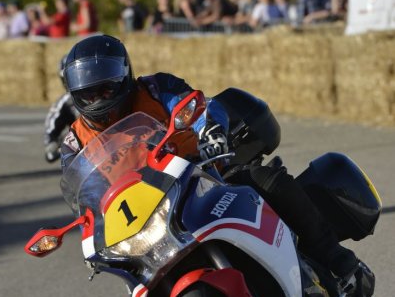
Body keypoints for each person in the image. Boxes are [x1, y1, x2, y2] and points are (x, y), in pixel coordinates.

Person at [61, 34, 359, 284]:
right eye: (88, 94)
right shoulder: (75, 143)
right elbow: (84, 195)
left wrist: (211, 131)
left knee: (266, 181)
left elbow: (201, 106)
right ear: (74, 93)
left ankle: (332, 254)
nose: (98, 99)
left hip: (202, 176)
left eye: (105, 88)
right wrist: (93, 231)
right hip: (149, 216)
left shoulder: (156, 88)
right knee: (139, 281)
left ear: (124, 76)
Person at [43, 54, 79, 163]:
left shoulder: (112, 94)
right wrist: (53, 145)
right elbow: (51, 132)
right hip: (88, 157)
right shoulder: (65, 103)